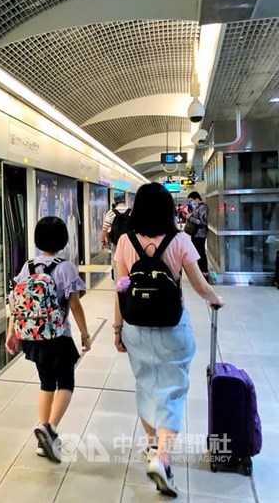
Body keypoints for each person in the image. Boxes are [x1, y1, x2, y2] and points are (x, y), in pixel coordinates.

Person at [113, 183, 224, 497]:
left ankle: (151, 447)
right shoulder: (181, 241)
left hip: (135, 325)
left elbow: (121, 288)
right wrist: (215, 299)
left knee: (146, 384)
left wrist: (117, 328)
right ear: (167, 209)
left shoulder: (125, 241)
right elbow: (200, 286)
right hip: (171, 325)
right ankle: (163, 458)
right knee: (172, 390)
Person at [5, 217, 91, 463]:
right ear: (63, 240)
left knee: (46, 384)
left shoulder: (27, 267)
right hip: (58, 336)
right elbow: (74, 305)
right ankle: (50, 429)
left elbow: (16, 303)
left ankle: (44, 441)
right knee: (66, 383)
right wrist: (85, 335)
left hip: (33, 337)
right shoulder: (65, 267)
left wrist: (12, 333)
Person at [101, 194, 130, 278]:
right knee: (128, 260)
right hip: (129, 242)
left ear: (115, 201)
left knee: (116, 261)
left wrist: (103, 241)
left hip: (115, 241)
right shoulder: (131, 212)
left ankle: (119, 281)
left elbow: (104, 229)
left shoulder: (111, 213)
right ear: (125, 200)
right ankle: (128, 278)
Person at [184, 191, 210, 282]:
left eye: (191, 200)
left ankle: (204, 272)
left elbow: (202, 222)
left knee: (201, 252)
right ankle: (199, 272)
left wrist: (190, 218)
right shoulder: (197, 207)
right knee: (197, 252)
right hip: (195, 233)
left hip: (200, 234)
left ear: (196, 198)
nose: (191, 202)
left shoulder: (203, 207)